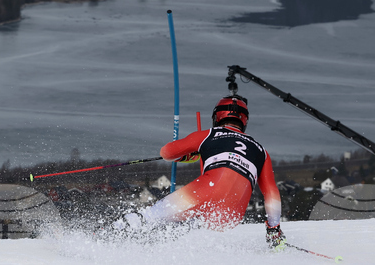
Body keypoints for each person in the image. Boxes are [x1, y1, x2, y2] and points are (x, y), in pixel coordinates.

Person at [112, 95, 285, 249]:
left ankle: (105, 238)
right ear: (244, 121)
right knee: (194, 234)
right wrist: (273, 228)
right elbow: (271, 193)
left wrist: (190, 157)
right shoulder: (262, 151)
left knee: (148, 218)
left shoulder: (209, 134)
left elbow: (167, 152)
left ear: (217, 117)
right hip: (233, 212)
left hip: (205, 190)